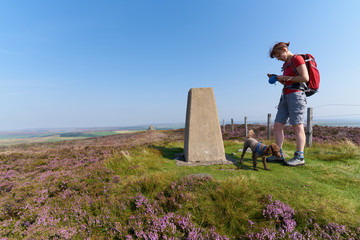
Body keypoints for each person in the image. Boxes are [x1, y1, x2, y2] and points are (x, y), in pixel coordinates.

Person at [267, 42, 309, 166]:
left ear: (284, 50)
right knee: (277, 125)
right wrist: (278, 78)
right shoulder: (286, 64)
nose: (278, 59)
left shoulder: (297, 59)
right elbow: (288, 81)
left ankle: (300, 157)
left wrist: (284, 77)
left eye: (278, 56)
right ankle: (278, 155)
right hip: (285, 95)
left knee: (297, 126)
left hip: (296, 95)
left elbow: (305, 78)